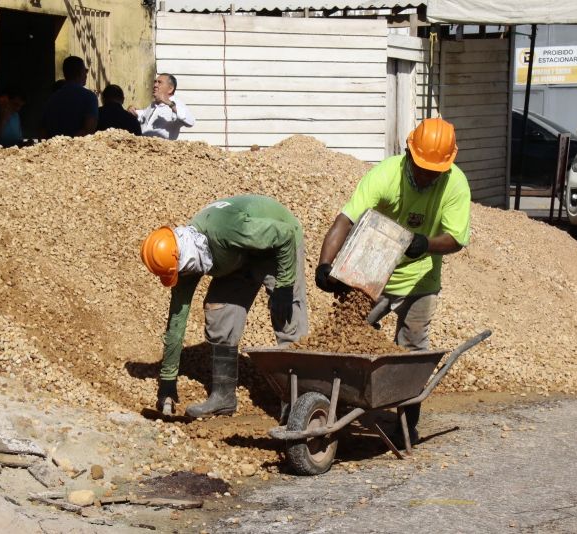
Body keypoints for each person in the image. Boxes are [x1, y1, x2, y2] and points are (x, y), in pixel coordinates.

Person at [315, 117, 471, 447]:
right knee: (345, 336)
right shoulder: (386, 175)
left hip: (421, 277)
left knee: (412, 349)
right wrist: (325, 265)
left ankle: (406, 426)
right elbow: (346, 219)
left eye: (435, 170)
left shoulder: (455, 185)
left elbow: (456, 238)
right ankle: (335, 411)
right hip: (374, 270)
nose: (427, 175)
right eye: (421, 167)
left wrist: (425, 243)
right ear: (408, 153)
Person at [141, 195, 308, 418]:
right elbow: (177, 319)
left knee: (287, 316)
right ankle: (223, 397)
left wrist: (285, 285)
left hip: (277, 244)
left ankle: (298, 402)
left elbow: (285, 235)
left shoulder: (227, 230)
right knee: (219, 312)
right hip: (239, 254)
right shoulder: (185, 261)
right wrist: (168, 381)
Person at [40, 56, 98, 138]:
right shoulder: (89, 97)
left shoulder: (52, 98)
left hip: (54, 148)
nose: (86, 74)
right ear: (80, 72)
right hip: (77, 149)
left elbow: (43, 132)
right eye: (85, 71)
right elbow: (89, 131)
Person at [128, 73, 195, 140]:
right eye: (155, 82)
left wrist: (170, 104)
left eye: (159, 82)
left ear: (170, 89)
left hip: (162, 149)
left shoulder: (176, 104)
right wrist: (133, 111)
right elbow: (144, 116)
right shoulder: (153, 104)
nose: (155, 85)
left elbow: (191, 122)